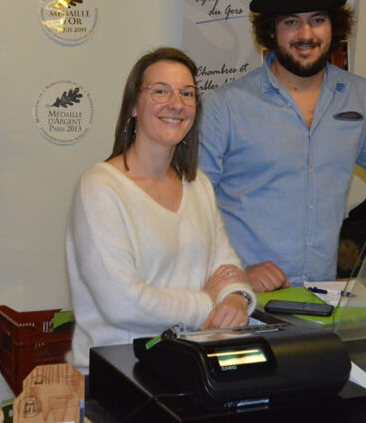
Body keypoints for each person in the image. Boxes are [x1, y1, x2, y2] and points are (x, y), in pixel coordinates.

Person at [199, 0, 366, 291]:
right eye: (291, 22)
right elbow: (190, 209)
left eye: (318, 20)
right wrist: (234, 271)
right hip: (244, 299)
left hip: (321, 296)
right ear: (271, 31)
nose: (306, 34)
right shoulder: (224, 106)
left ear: (334, 26)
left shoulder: (361, 98)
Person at [66, 47, 255, 373]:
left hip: (189, 365)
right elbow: (123, 303)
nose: (176, 104)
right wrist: (207, 303)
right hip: (118, 374)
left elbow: (226, 267)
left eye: (187, 93)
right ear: (133, 106)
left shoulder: (198, 185)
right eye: (160, 91)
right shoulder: (100, 187)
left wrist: (237, 299)